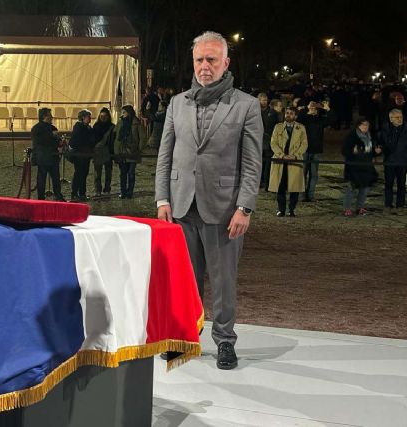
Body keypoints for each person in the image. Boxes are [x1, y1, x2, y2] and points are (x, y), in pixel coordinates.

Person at [154, 31, 263, 370]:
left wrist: (245, 207)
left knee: (223, 282)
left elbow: (252, 162)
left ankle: (225, 341)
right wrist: (162, 199)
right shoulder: (176, 103)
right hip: (181, 207)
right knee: (184, 281)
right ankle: (185, 340)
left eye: (212, 60)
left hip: (225, 211)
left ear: (226, 63)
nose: (204, 66)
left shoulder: (246, 105)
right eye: (199, 59)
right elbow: (164, 156)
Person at [268, 106, 308, 217]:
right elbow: (273, 143)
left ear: (295, 116)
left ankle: (292, 209)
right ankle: (281, 209)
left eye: (291, 113)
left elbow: (304, 144)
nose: (288, 115)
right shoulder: (278, 127)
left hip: (294, 161)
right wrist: (281, 155)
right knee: (280, 187)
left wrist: (295, 155)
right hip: (280, 161)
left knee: (294, 188)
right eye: (287, 113)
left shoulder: (301, 128)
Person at [341, 118, 381, 217]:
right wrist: (352, 152)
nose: (365, 127)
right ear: (358, 125)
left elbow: (371, 151)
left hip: (367, 166)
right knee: (351, 188)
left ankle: (360, 207)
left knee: (365, 188)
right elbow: (344, 151)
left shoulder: (370, 136)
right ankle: (347, 208)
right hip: (354, 166)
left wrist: (376, 153)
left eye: (367, 125)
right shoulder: (352, 136)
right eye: (363, 125)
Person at [378, 109, 407, 214]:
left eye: (401, 117)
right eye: (397, 117)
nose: (400, 119)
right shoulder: (385, 129)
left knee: (401, 185)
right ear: (391, 119)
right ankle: (388, 205)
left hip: (403, 161)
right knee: (388, 184)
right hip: (390, 161)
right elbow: (382, 142)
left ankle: (400, 206)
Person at [297, 100, 335, 201]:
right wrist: (306, 109)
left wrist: (328, 109)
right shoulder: (304, 118)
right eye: (311, 107)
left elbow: (332, 120)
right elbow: (298, 119)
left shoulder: (320, 120)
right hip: (304, 150)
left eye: (315, 108)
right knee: (303, 173)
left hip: (316, 150)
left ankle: (311, 195)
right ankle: (301, 195)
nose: (313, 109)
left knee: (314, 175)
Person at [31, 108, 65, 201]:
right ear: (44, 116)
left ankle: (58, 195)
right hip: (43, 157)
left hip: (53, 156)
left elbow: (56, 142)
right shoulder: (36, 128)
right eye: (50, 115)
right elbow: (39, 141)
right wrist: (52, 135)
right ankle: (41, 198)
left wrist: (60, 142)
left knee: (56, 178)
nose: (52, 117)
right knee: (42, 179)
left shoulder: (52, 128)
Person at [114, 105, 142, 199]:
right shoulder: (120, 123)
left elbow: (143, 137)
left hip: (133, 152)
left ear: (129, 112)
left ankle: (130, 192)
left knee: (131, 173)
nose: (123, 114)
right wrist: (116, 151)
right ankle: (123, 192)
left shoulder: (136, 123)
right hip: (122, 152)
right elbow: (116, 137)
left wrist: (138, 149)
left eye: (124, 112)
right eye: (122, 112)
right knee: (122, 174)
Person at [69, 110, 95, 202]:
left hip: (85, 154)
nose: (90, 119)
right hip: (80, 154)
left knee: (83, 173)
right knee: (79, 173)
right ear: (83, 117)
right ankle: (75, 193)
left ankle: (82, 193)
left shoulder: (87, 127)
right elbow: (75, 141)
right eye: (88, 117)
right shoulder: (79, 127)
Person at [92, 108, 115, 197]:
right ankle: (98, 189)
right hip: (98, 152)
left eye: (105, 116)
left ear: (108, 117)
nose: (103, 118)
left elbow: (113, 140)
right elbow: (93, 139)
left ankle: (107, 189)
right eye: (101, 116)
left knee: (108, 172)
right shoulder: (96, 126)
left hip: (108, 151)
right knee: (97, 173)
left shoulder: (112, 126)